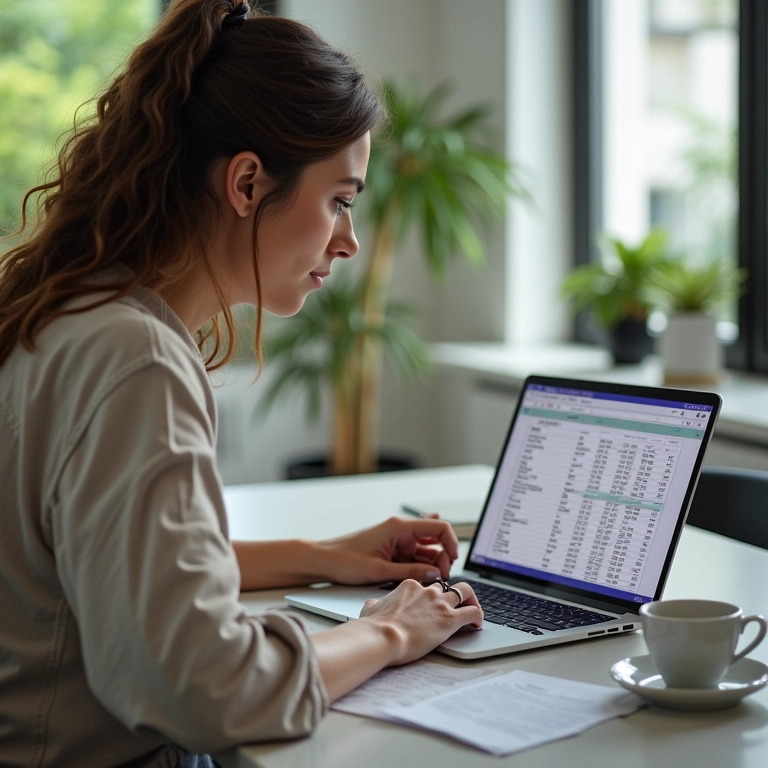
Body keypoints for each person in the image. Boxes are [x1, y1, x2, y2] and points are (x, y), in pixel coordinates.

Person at [0, 1, 483, 766]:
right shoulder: (135, 360)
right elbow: (207, 687)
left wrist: (327, 554)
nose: (350, 241)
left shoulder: (73, 316)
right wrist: (394, 630)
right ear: (248, 183)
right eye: (340, 200)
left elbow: (120, 563)